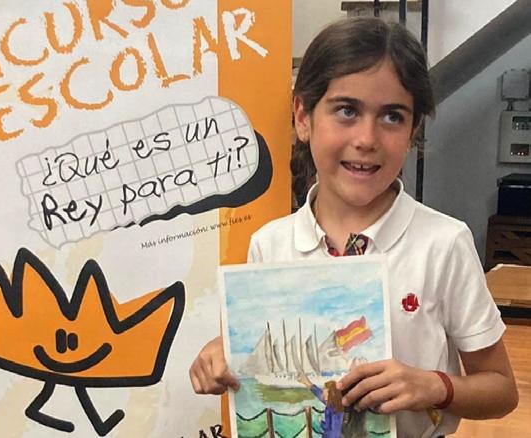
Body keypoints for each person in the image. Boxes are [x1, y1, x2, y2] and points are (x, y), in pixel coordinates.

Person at [188, 17, 518, 438]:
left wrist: (434, 386)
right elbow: (258, 361)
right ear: (303, 117)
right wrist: (221, 357)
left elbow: (501, 390)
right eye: (347, 110)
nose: (366, 138)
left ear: (413, 130)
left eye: (392, 116)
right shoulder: (269, 245)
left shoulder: (444, 244)